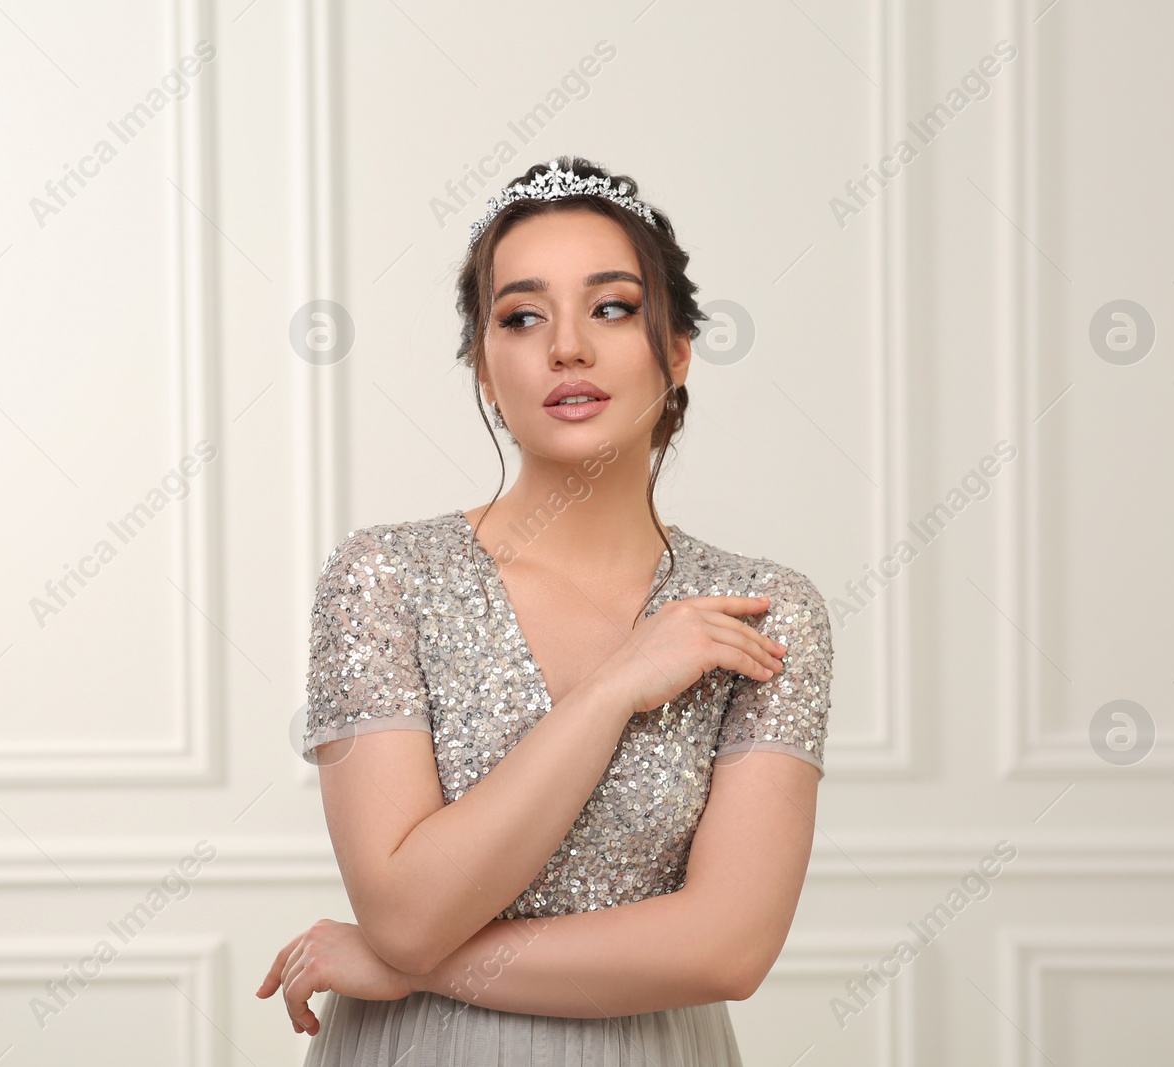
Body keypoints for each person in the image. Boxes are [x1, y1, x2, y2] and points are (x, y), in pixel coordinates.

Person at [257, 155, 835, 1066]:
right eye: (522, 317)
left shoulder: (762, 613)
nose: (567, 346)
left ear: (678, 349)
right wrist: (616, 689)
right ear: (485, 370)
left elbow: (728, 947)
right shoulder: (385, 578)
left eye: (611, 307)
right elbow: (407, 910)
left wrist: (408, 963)